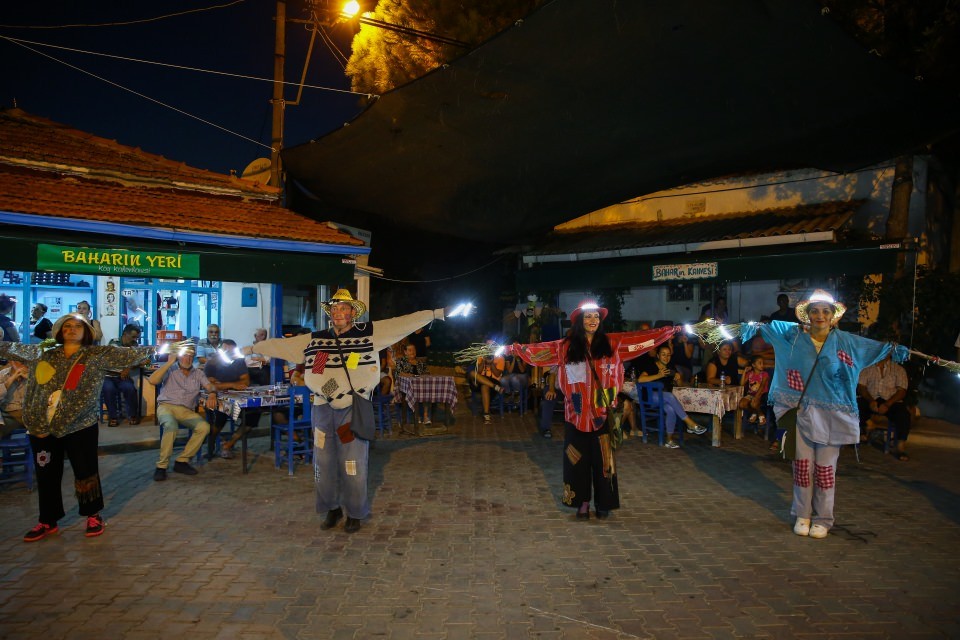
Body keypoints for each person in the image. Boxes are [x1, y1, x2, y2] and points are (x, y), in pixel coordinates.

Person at [244, 288, 451, 534]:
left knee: (352, 462)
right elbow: (306, 362)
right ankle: (331, 508)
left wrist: (435, 314)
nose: (338, 313)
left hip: (351, 409)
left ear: (353, 312)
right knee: (323, 462)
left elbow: (401, 324)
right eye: (334, 309)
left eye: (343, 308)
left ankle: (355, 512)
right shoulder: (319, 340)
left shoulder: (369, 334)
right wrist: (255, 349)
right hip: (322, 409)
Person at [739, 289, 904, 539]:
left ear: (833, 316)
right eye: (814, 311)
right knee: (802, 467)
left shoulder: (846, 342)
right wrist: (745, 326)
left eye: (825, 311)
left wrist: (894, 349)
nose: (820, 315)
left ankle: (823, 518)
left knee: (826, 469)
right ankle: (802, 515)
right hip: (798, 411)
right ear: (806, 315)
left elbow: (874, 349)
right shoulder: (792, 336)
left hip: (832, 414)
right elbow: (766, 327)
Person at [512, 300, 677, 520]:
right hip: (576, 415)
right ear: (580, 320)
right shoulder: (565, 347)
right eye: (588, 317)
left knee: (603, 461)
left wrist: (670, 331)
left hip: (601, 413)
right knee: (576, 460)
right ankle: (582, 503)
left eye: (596, 317)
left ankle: (603, 503)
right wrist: (511, 348)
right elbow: (536, 352)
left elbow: (641, 340)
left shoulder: (613, 343)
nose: (593, 321)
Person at [1, 313, 156, 541]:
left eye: (77, 326)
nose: (72, 329)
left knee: (86, 472)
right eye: (67, 326)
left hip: (80, 424)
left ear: (86, 332)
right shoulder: (43, 352)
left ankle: (93, 515)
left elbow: (133, 354)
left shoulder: (96, 355)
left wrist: (167, 350)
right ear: (60, 331)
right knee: (46, 475)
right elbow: (10, 349)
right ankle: (47, 520)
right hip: (43, 426)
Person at [148, 345, 219, 481]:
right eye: (185, 355)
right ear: (179, 356)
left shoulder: (198, 373)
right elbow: (152, 381)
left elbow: (210, 386)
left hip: (186, 410)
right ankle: (161, 466)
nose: (188, 359)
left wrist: (212, 394)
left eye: (191, 356)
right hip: (166, 406)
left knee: (204, 427)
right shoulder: (170, 369)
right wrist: (169, 362)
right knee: (171, 426)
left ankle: (182, 461)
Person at [633, 343, 707, 447]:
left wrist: (678, 378)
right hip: (650, 399)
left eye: (668, 355)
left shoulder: (671, 368)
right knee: (669, 396)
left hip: (664, 399)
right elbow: (640, 380)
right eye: (663, 354)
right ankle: (690, 423)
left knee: (671, 410)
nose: (666, 357)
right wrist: (658, 375)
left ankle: (669, 440)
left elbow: (680, 384)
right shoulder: (651, 366)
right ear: (658, 356)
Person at [204, 339, 259, 459]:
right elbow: (210, 385)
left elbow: (245, 382)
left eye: (230, 350)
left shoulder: (239, 361)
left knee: (253, 416)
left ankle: (229, 444)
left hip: (238, 400)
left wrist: (222, 384)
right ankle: (211, 444)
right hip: (218, 399)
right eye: (224, 349)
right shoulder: (212, 362)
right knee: (220, 416)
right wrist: (233, 384)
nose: (227, 352)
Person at [857, 354, 911, 461]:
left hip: (890, 400)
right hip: (871, 398)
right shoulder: (867, 367)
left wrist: (888, 404)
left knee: (904, 414)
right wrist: (871, 401)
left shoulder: (898, 369)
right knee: (857, 405)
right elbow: (861, 387)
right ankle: (864, 428)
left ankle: (900, 447)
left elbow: (902, 391)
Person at [102, 323, 144, 427]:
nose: (135, 340)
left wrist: (129, 367)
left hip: (123, 377)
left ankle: (133, 415)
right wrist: (129, 365)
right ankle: (113, 417)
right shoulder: (114, 342)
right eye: (133, 337)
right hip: (109, 376)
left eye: (137, 338)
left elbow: (139, 361)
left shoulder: (135, 345)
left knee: (130, 389)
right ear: (125, 334)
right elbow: (114, 360)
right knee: (108, 389)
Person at [469, 342, 506, 424]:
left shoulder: (500, 358)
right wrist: (483, 361)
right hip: (482, 380)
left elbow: (497, 374)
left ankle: (486, 415)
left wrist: (492, 363)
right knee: (472, 373)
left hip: (493, 380)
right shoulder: (481, 357)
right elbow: (478, 372)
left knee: (484, 386)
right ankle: (495, 387)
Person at [395, 343, 431, 423]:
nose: (412, 352)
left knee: (428, 391)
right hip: (406, 388)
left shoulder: (420, 362)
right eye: (410, 350)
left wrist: (424, 375)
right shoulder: (401, 361)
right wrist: (412, 376)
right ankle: (417, 416)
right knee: (415, 391)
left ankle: (425, 416)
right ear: (405, 352)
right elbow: (399, 373)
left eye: (414, 350)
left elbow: (427, 373)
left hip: (420, 386)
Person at [739, 354, 771, 428]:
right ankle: (755, 412)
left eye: (763, 363)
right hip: (751, 394)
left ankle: (760, 414)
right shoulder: (750, 374)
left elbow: (762, 386)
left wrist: (756, 397)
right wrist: (744, 371)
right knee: (741, 404)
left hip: (762, 394)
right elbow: (741, 384)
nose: (762, 365)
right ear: (753, 365)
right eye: (759, 363)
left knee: (753, 403)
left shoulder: (764, 374)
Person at [0, 360, 28, 438]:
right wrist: (13, 377)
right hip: (9, 414)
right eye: (19, 361)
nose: (23, 364)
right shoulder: (2, 374)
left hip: (28, 413)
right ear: (11, 362)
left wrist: (30, 379)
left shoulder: (32, 373)